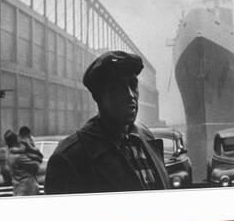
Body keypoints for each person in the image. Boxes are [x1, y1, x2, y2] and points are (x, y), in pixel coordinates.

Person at [44, 50, 169, 194]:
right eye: (118, 88)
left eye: (133, 85)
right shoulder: (69, 158)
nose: (130, 95)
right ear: (98, 97)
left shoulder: (145, 137)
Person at [4, 129, 42, 196]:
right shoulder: (19, 157)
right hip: (27, 188)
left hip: (17, 186)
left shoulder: (9, 153)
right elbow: (36, 165)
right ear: (15, 140)